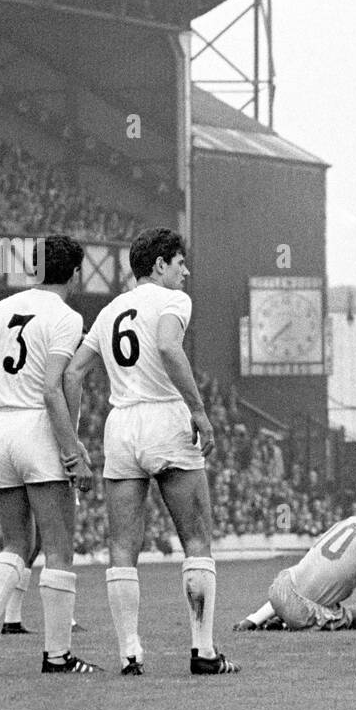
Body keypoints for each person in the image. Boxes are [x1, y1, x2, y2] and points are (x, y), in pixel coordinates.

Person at [63, 227, 238, 675]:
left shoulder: (109, 310)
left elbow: (75, 373)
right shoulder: (173, 301)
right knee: (197, 538)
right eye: (180, 263)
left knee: (122, 547)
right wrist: (198, 411)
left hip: (120, 424)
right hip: (164, 416)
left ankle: (130, 654)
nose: (186, 272)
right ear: (159, 264)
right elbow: (165, 344)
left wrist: (74, 434)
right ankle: (203, 652)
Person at [0, 234, 97, 675]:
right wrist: (72, 451)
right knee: (58, 549)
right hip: (38, 428)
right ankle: (58, 656)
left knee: (18, 543)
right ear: (74, 273)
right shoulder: (67, 317)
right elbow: (52, 388)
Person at [234, 497, 356, 632]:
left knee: (302, 582)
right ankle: (286, 625)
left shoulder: (349, 521)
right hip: (301, 611)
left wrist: (254, 618)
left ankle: (255, 620)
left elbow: (313, 571)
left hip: (280, 589)